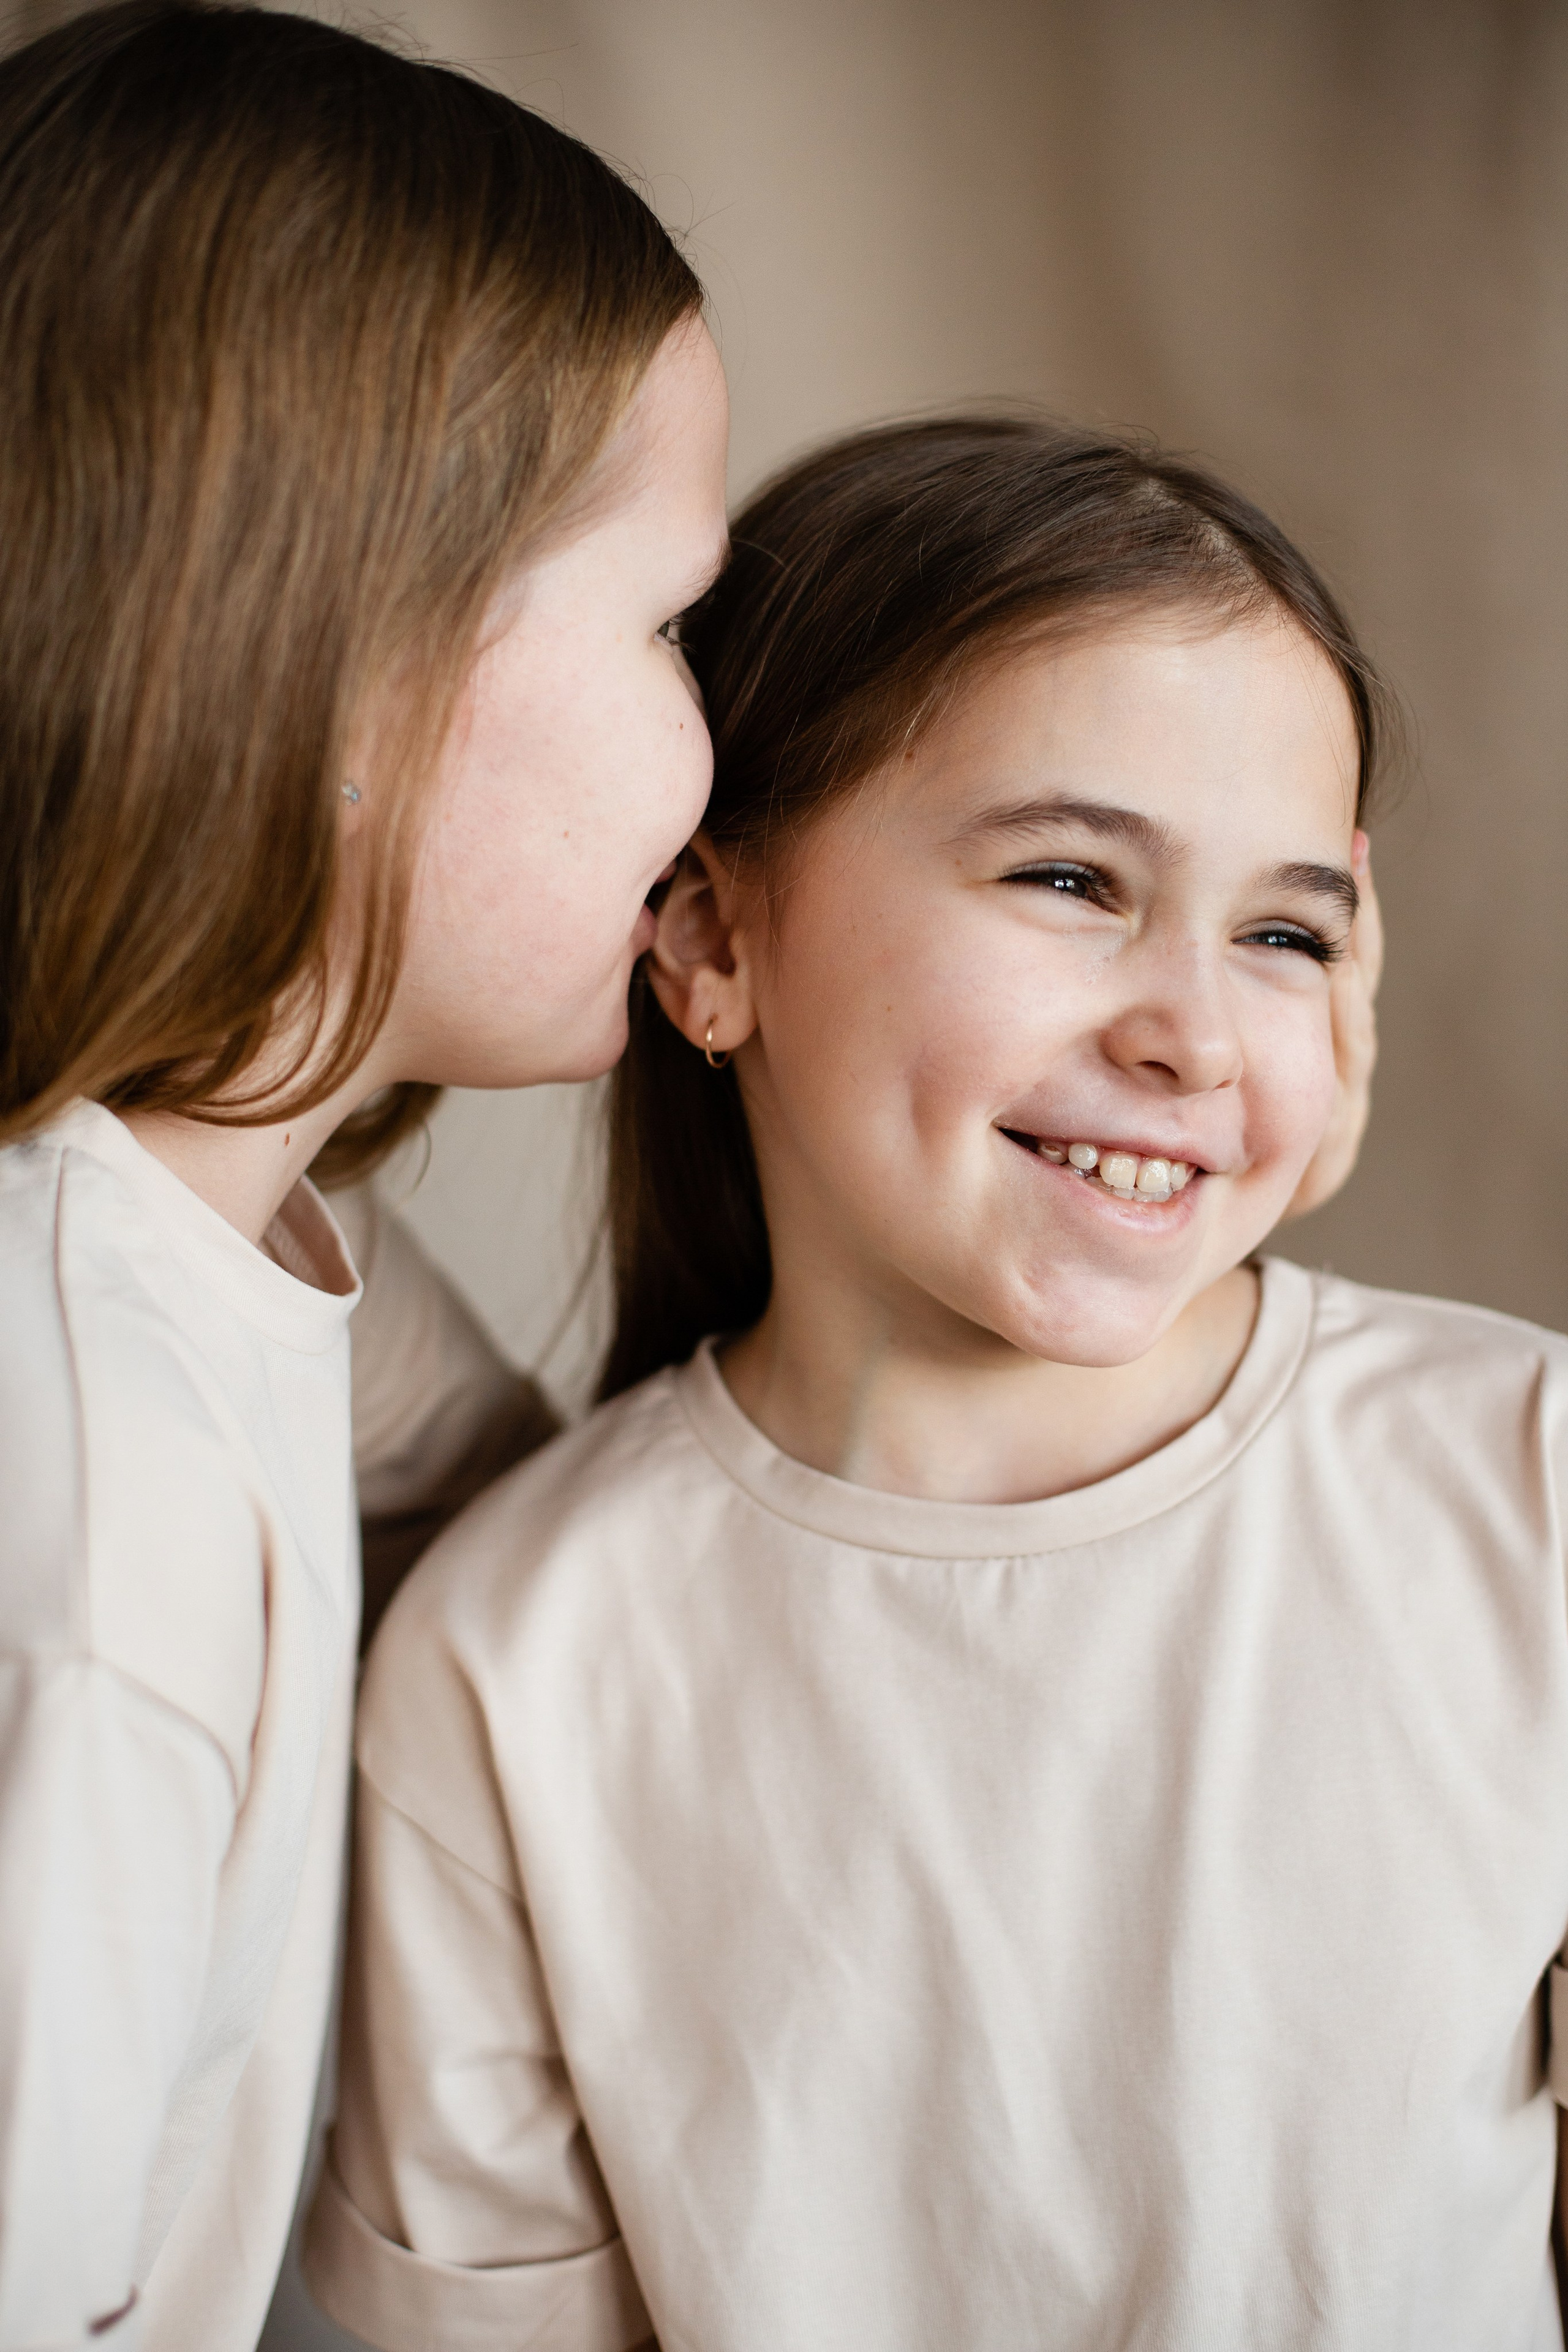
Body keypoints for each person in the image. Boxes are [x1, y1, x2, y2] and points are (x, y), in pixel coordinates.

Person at [300, 416, 1568, 2352]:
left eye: (1287, 932)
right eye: (1072, 879)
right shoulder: (512, 1662)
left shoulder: (1526, 1485)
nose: (1197, 1032)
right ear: (715, 937)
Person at [0, 1, 729, 2345]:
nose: (720, 768)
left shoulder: (219, 1258)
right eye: (671, 625)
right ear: (344, 677)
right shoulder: (90, 1502)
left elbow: (505, 1502)